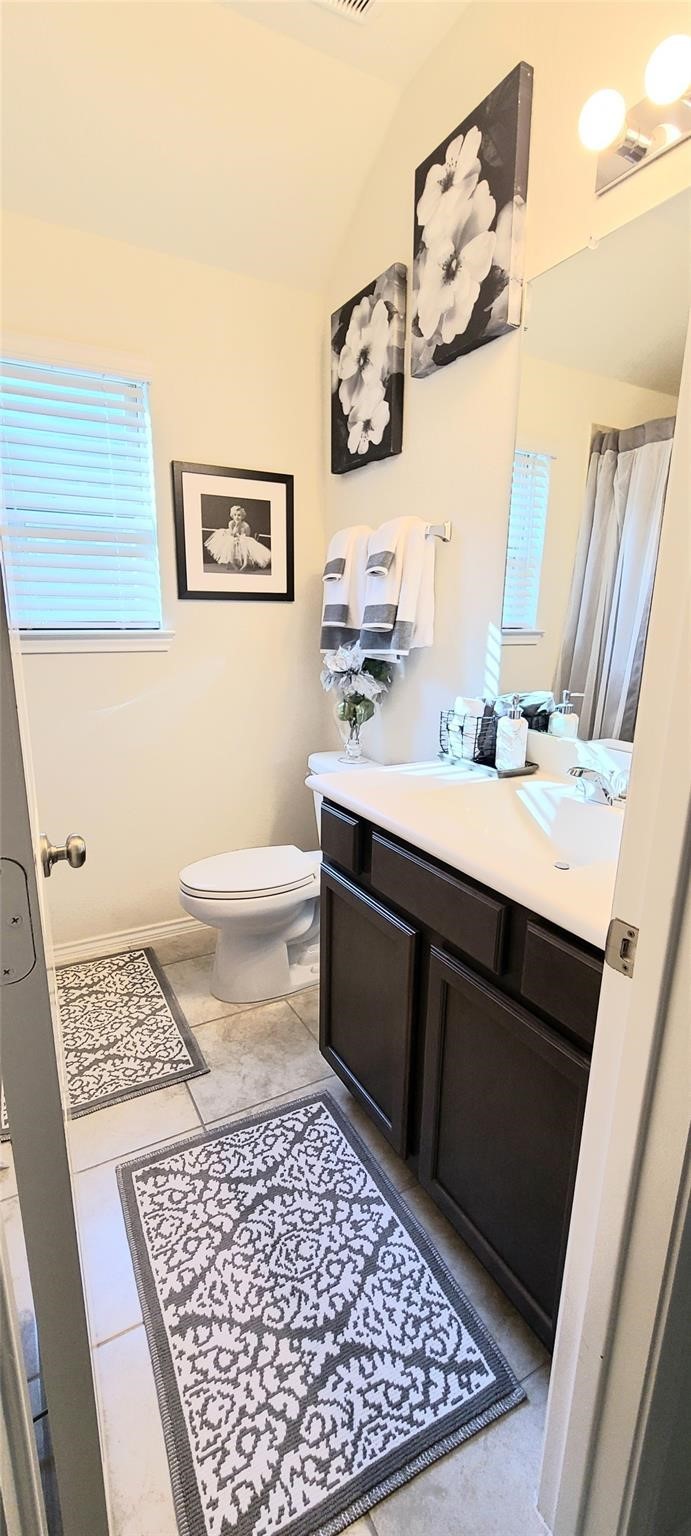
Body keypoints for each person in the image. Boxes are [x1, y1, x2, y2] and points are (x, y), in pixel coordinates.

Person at [205, 504, 271, 570]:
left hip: (242, 540)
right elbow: (232, 534)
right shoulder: (231, 523)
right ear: (232, 516)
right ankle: (232, 562)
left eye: (239, 515)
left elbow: (247, 536)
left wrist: (240, 536)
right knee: (230, 541)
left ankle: (245, 562)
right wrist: (236, 526)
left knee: (243, 541)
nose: (237, 517)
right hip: (232, 537)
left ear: (242, 516)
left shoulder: (246, 525)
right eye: (235, 515)